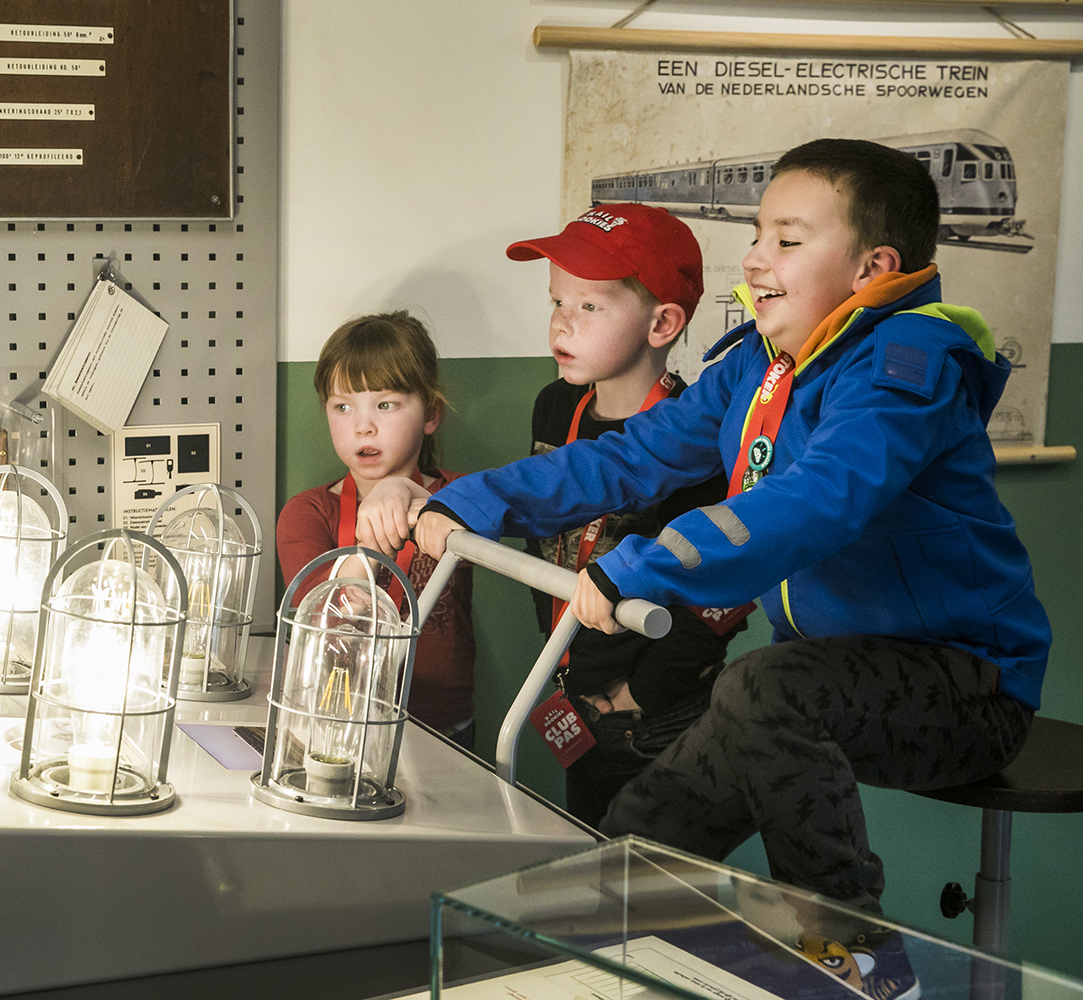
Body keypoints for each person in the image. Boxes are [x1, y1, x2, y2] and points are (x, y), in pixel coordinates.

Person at [409, 139, 1050, 948]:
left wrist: (643, 566)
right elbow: (634, 454)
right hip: (824, 677)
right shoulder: (759, 364)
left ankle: (854, 957)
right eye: (756, 234)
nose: (752, 259)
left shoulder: (904, 369)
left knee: (762, 690)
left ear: (871, 268)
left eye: (786, 240)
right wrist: (471, 501)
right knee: (639, 838)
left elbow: (818, 501)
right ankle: (559, 948)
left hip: (968, 687)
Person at [358, 204, 751, 827]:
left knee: (642, 882)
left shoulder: (698, 446)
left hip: (654, 707)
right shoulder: (554, 405)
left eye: (588, 307)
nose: (561, 326)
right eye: (556, 303)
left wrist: (636, 697)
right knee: (593, 865)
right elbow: (525, 498)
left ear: (663, 323)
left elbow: (717, 596)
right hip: (573, 683)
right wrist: (401, 489)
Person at [277, 311, 477, 749]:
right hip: (329, 727)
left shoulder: (461, 496)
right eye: (342, 406)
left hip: (441, 728)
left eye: (385, 404)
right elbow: (320, 612)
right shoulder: (307, 512)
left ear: (431, 413)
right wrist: (369, 538)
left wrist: (399, 489)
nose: (362, 425)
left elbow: (505, 511)